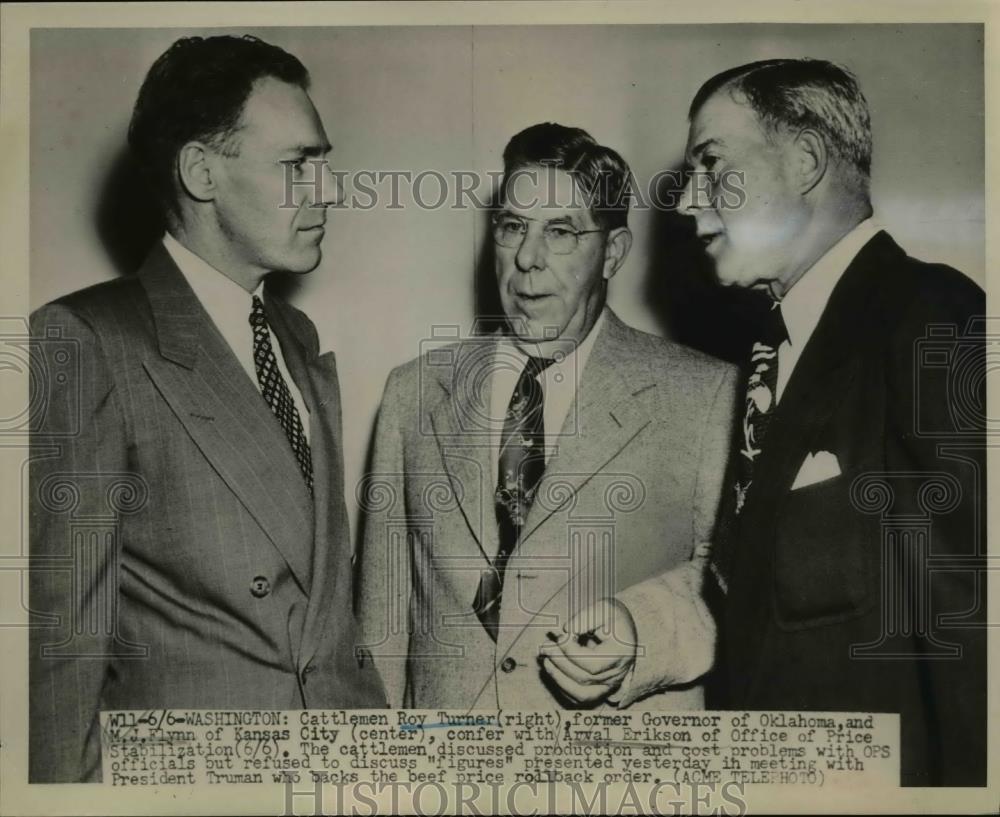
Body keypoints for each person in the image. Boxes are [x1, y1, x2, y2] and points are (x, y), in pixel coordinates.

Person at [29, 35, 385, 783]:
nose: (328, 190)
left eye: (322, 163)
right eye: (298, 166)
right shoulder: (91, 339)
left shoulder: (294, 335)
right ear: (201, 172)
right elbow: (62, 646)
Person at [676, 59, 986, 786]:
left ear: (808, 160)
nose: (690, 204)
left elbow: (973, 634)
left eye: (712, 165)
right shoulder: (771, 357)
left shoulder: (932, 316)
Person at [357, 123, 738, 711]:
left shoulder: (705, 395)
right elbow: (381, 626)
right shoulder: (414, 393)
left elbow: (731, 587)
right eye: (512, 227)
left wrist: (644, 638)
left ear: (612, 253)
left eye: (560, 232)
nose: (527, 260)